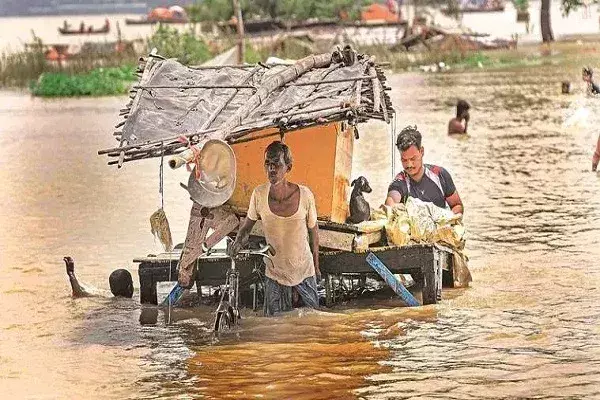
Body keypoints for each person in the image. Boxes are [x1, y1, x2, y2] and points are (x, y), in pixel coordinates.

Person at [228, 141, 320, 316]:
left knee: (313, 323)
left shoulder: (305, 195)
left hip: (304, 270)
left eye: (276, 164)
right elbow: (246, 227)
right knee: (273, 327)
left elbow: (314, 233)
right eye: (267, 164)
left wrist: (317, 266)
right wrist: (238, 243)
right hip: (274, 272)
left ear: (288, 167)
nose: (271, 169)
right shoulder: (259, 194)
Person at [385, 125, 464, 215]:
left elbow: (457, 205)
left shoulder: (440, 175)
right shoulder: (399, 182)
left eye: (413, 158)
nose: (409, 165)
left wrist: (448, 218)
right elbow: (390, 204)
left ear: (421, 151)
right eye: (404, 160)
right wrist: (390, 208)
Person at [63, 256, 134, 298]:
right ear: (129, 287)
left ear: (111, 290)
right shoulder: (135, 302)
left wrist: (71, 273)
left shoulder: (106, 300)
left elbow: (79, 293)